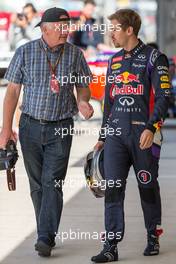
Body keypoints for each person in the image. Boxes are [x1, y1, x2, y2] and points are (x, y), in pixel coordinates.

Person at [0, 7, 94, 257]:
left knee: (53, 182)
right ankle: (47, 228)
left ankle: (45, 236)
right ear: (44, 29)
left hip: (61, 127)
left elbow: (83, 86)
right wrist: (6, 130)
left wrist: (83, 101)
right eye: (60, 28)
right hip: (30, 126)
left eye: (67, 28)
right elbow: (12, 92)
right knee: (37, 185)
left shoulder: (75, 54)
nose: (65, 32)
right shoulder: (25, 52)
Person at [91, 9, 171, 262]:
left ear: (129, 30)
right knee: (113, 189)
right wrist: (103, 136)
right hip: (115, 135)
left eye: (114, 28)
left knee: (147, 186)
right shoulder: (113, 61)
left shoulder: (155, 58)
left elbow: (163, 97)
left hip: (143, 133)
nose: (110, 33)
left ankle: (152, 235)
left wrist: (151, 127)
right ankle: (110, 247)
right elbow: (109, 103)